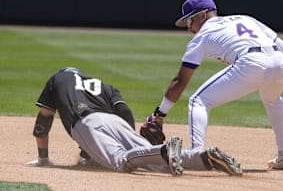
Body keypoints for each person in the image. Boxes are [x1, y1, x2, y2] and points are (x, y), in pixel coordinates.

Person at [150, 0, 283, 170]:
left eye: (189, 21)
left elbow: (180, 81)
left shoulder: (202, 36)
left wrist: (160, 114)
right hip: (279, 62)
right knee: (273, 100)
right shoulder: (244, 18)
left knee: (198, 101)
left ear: (202, 15)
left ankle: (196, 154)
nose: (189, 28)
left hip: (251, 62)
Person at [25, 67, 242, 176]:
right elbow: (124, 110)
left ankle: (165, 150)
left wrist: (43, 159)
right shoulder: (103, 85)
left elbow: (43, 124)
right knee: (149, 158)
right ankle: (206, 158)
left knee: (121, 162)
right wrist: (130, 138)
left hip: (86, 123)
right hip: (115, 121)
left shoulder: (57, 79)